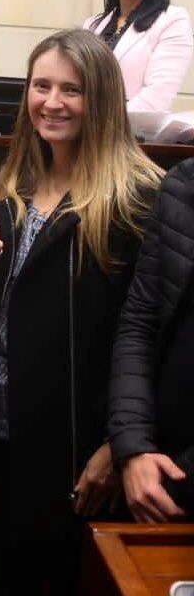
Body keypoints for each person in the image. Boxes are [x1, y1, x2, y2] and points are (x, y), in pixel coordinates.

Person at [0, 28, 163, 596]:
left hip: (77, 450)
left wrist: (117, 444)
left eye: (71, 90)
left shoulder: (139, 198)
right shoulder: (12, 183)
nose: (51, 102)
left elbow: (153, 338)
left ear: (100, 99)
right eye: (41, 86)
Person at [108, 158, 194, 522]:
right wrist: (133, 446)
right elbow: (139, 323)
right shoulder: (183, 183)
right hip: (152, 462)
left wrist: (179, 478)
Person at [84, 0, 193, 112]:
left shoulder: (172, 21)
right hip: (84, 134)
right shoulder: (92, 25)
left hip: (131, 135)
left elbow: (155, 100)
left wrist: (98, 125)